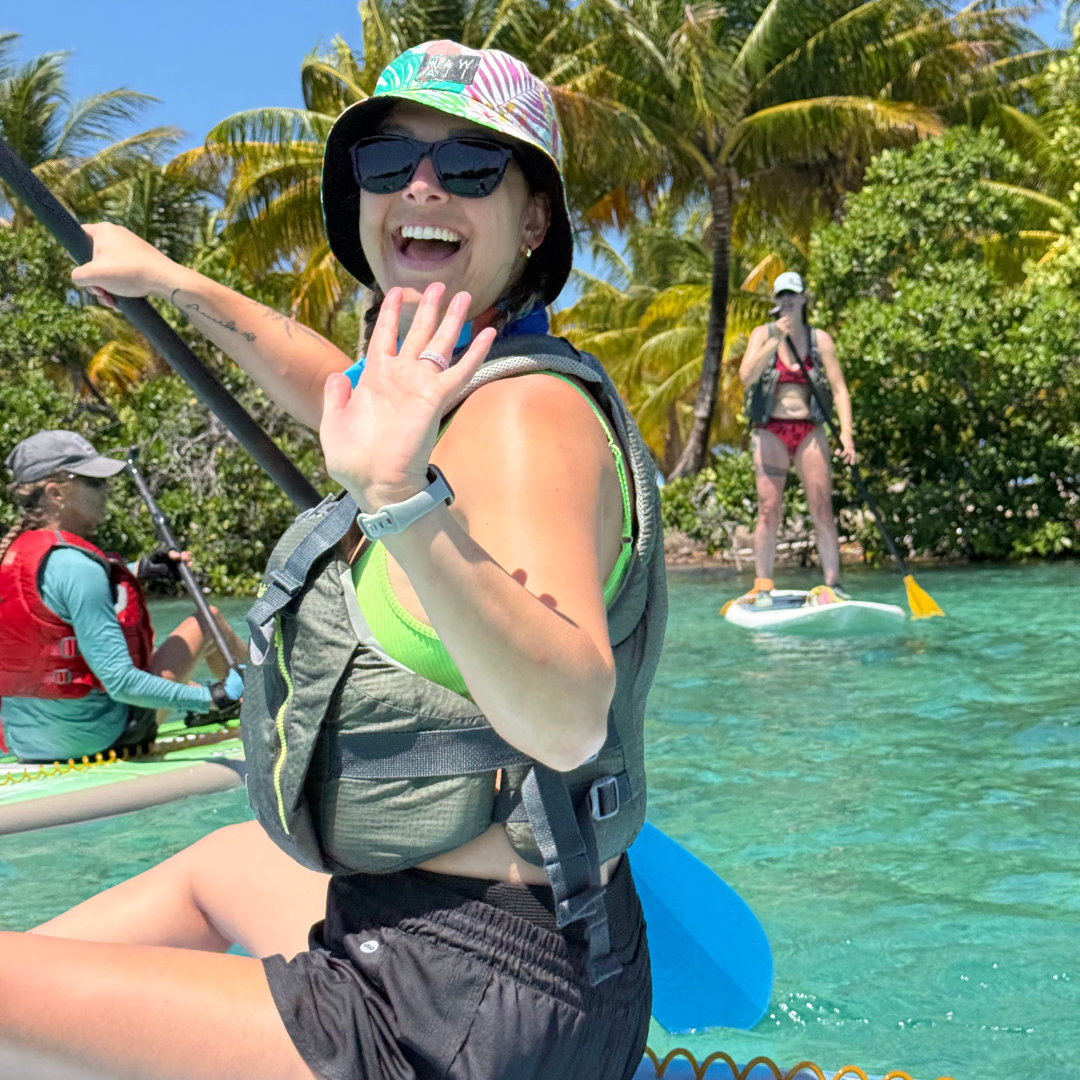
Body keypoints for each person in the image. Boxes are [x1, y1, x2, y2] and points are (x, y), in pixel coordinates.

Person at [0, 41, 665, 1080]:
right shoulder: (443, 386)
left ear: (535, 219)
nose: (423, 187)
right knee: (220, 869)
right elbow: (326, 381)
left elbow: (572, 713)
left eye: (474, 167)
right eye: (389, 163)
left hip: (450, 1017)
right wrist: (171, 280)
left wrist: (399, 501)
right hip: (532, 952)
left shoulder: (525, 421)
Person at [0, 430, 245, 763]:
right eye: (95, 482)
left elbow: (52, 598)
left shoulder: (12, 556)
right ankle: (269, 704)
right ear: (57, 492)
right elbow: (121, 683)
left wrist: (138, 569)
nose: (107, 490)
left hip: (25, 743)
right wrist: (213, 696)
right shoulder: (76, 566)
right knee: (208, 621)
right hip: (99, 738)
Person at [739, 271, 856, 605]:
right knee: (768, 509)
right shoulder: (762, 334)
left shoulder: (821, 340)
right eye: (780, 296)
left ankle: (834, 584)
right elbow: (746, 376)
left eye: (791, 294)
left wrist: (846, 434)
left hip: (810, 431)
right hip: (770, 431)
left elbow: (839, 390)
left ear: (804, 297)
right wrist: (776, 339)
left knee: (822, 505)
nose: (786, 300)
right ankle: (763, 585)